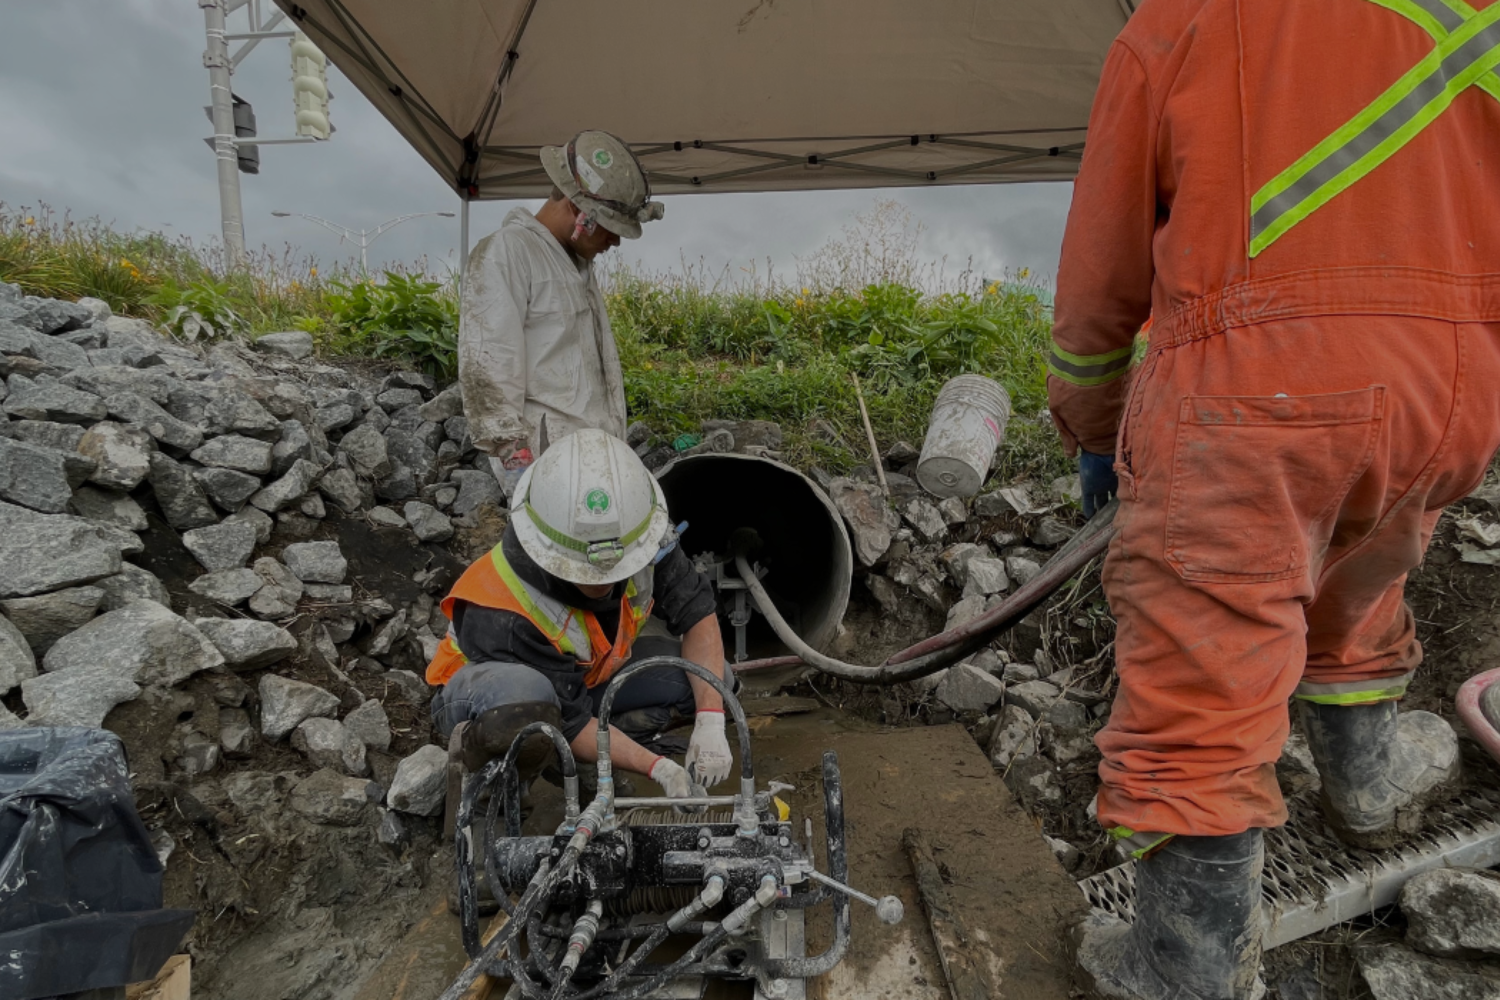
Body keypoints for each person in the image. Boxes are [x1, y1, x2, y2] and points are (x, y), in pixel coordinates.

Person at [1048, 1, 1500, 997]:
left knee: (1201, 677)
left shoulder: (1185, 19)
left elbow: (1103, 262)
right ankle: (1366, 794)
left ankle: (1184, 967)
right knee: (1360, 584)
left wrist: (1091, 416)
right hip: (1455, 386)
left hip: (1260, 386)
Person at [426, 429, 733, 823]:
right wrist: (660, 768)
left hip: (583, 682)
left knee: (712, 679)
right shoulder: (504, 608)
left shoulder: (642, 536)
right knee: (529, 705)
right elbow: (568, 719)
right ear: (551, 552)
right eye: (587, 573)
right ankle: (496, 801)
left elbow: (697, 613)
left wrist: (710, 722)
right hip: (485, 695)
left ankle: (587, 760)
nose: (604, 581)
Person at [457, 129, 664, 490]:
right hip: (549, 469)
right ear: (577, 210)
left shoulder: (575, 264)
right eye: (611, 228)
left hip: (595, 461)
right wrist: (521, 474)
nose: (615, 240)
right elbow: (488, 366)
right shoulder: (507, 253)